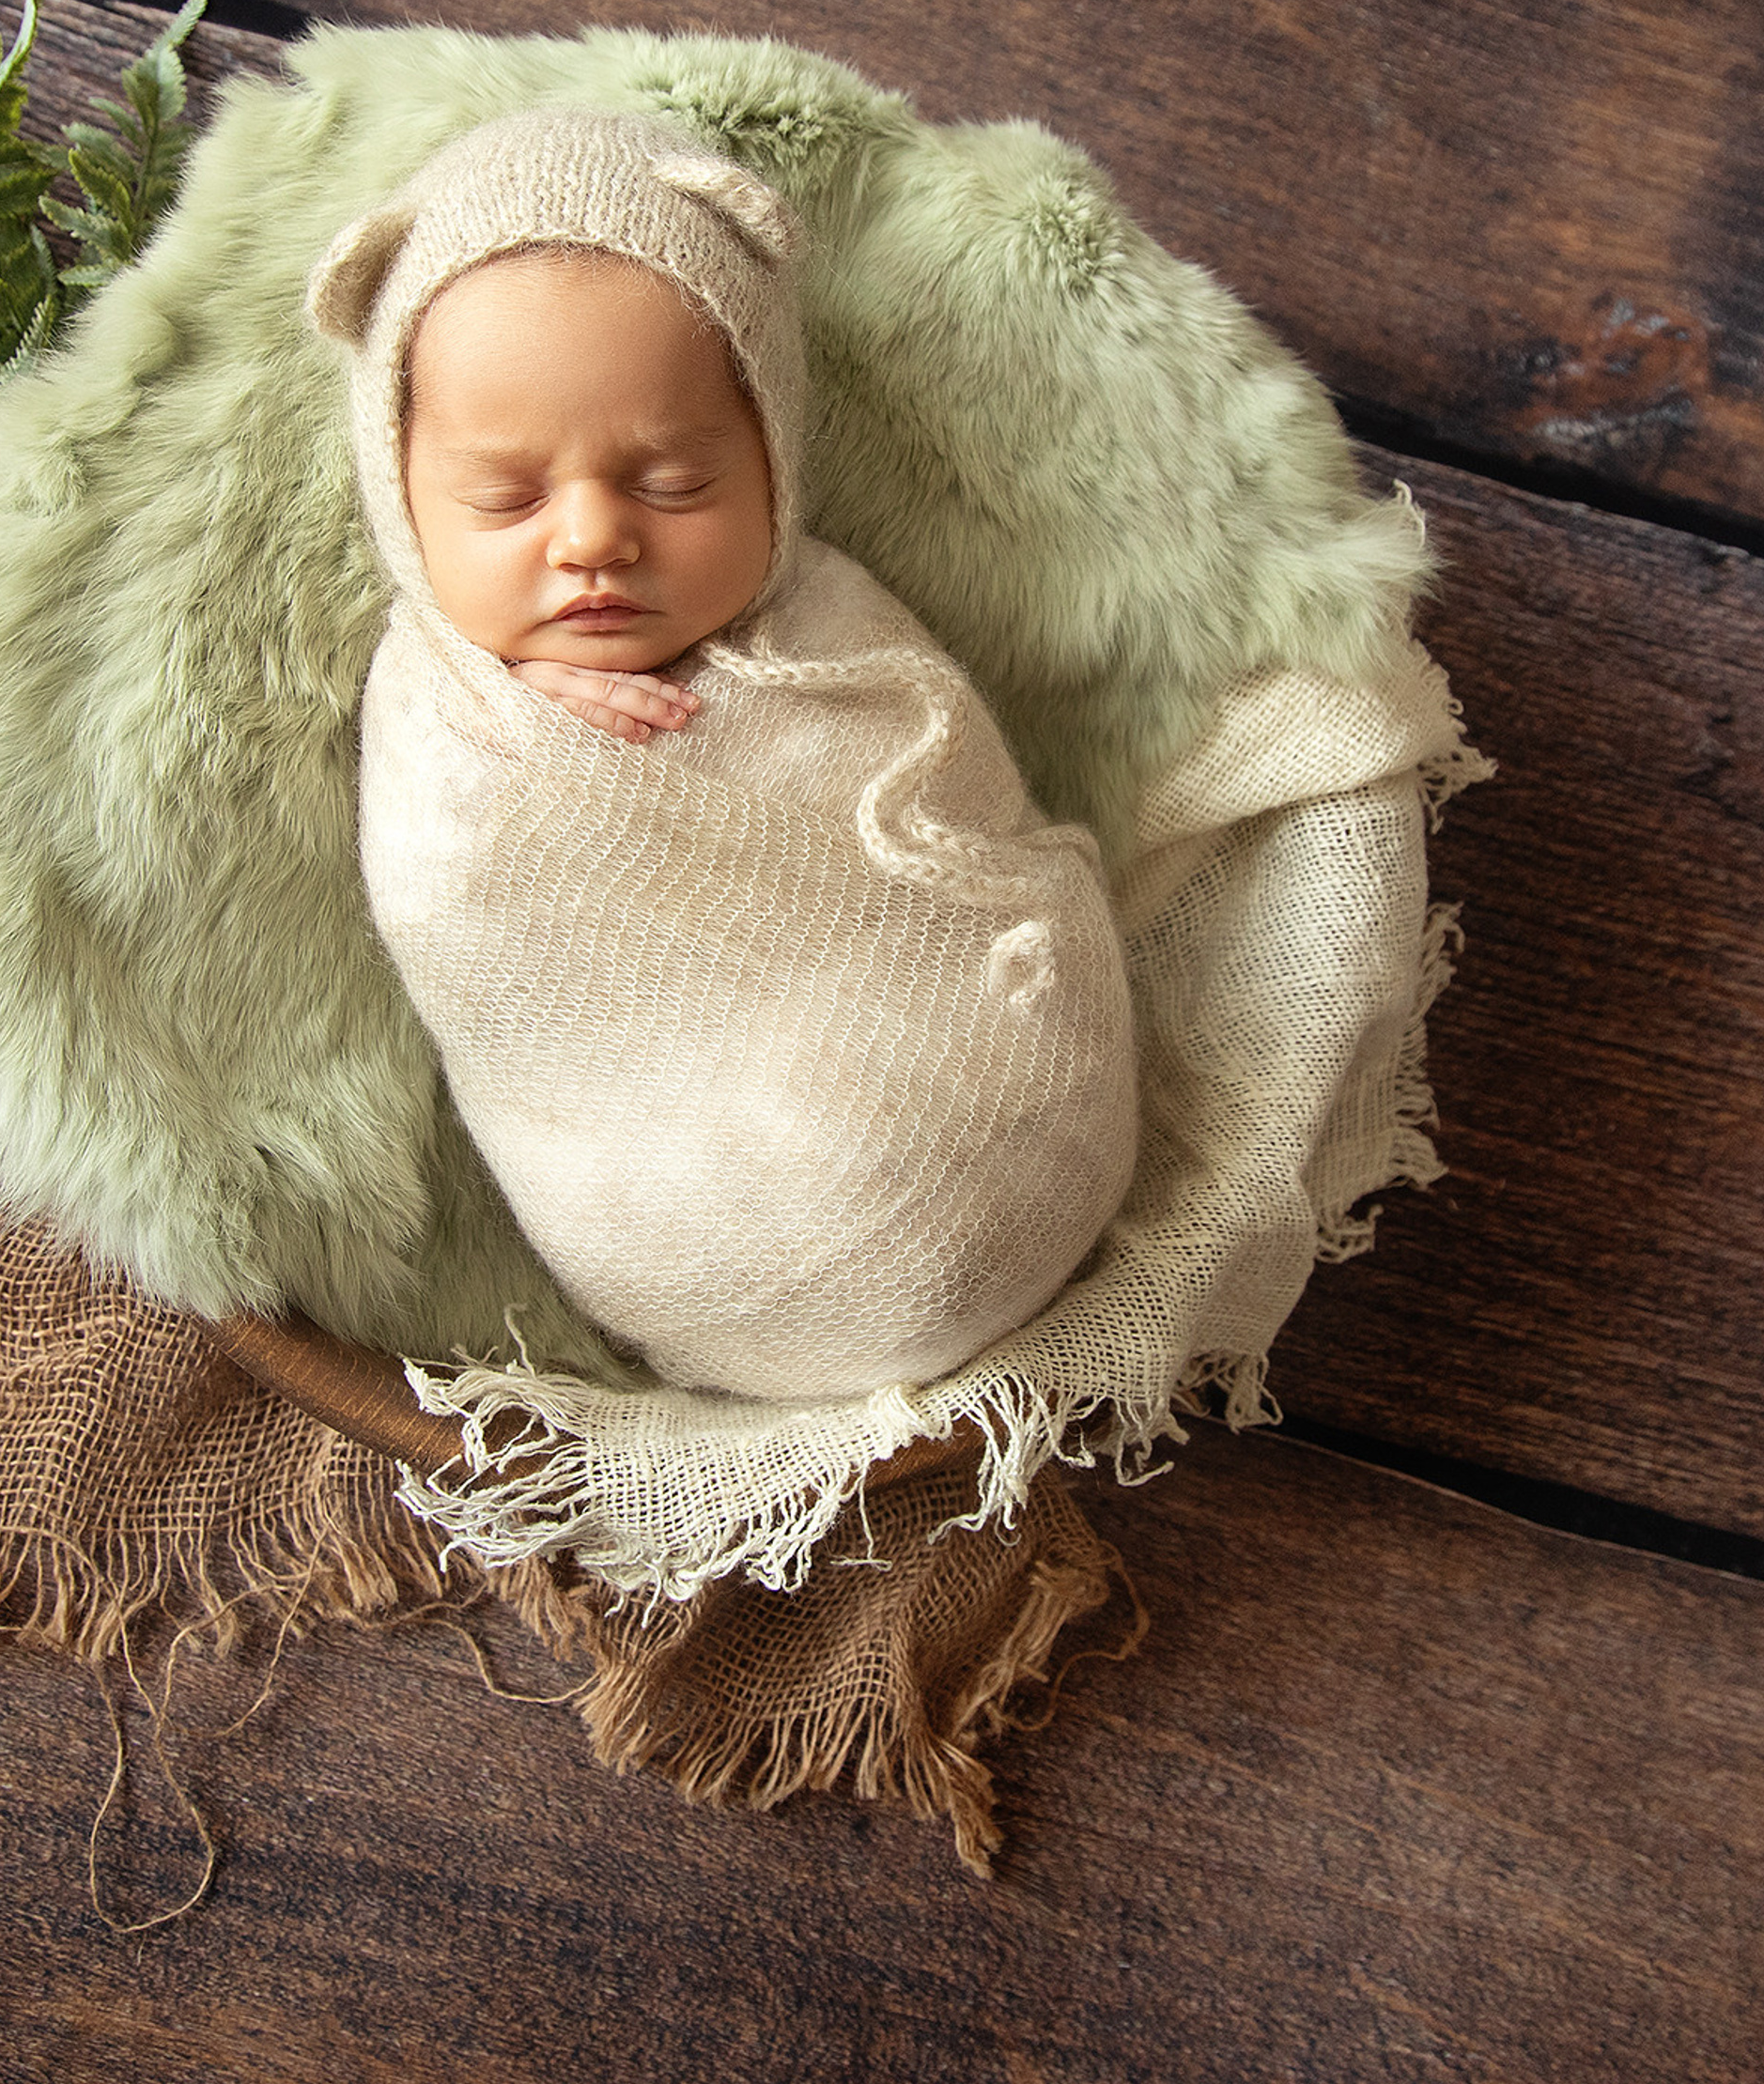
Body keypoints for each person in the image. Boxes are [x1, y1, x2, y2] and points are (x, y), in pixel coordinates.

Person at [306, 107, 1139, 1405]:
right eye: (507, 499)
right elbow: (454, 895)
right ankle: (818, 1255)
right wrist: (529, 742)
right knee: (781, 1150)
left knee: (910, 1079)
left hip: (993, 1100)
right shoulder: (439, 716)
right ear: (401, 498)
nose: (590, 538)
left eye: (674, 484)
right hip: (689, 1207)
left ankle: (952, 1192)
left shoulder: (835, 631)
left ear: (773, 460)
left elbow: (948, 812)